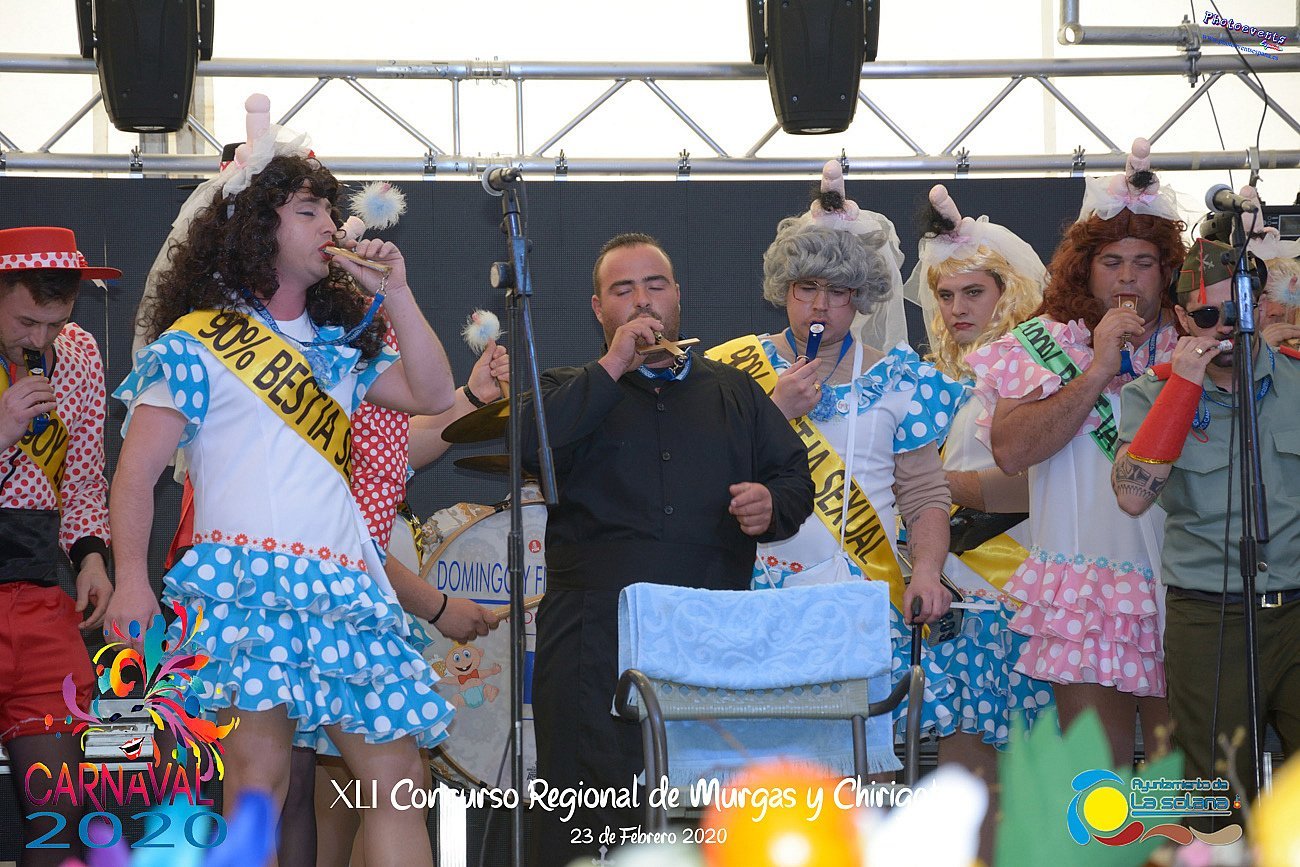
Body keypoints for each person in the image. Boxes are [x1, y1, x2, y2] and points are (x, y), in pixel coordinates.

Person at [105, 151, 458, 866]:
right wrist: (131, 580)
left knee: (399, 779)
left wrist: (396, 293)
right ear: (255, 230)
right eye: (308, 210)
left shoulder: (341, 346)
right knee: (258, 783)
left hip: (344, 591)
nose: (331, 224)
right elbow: (135, 476)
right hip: (249, 587)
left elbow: (433, 394)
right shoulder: (194, 343)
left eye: (330, 210)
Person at [520, 232, 814, 865]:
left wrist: (771, 503)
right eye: (622, 289)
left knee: (707, 809)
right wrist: (615, 364)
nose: (641, 301)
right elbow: (532, 447)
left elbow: (794, 477)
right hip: (593, 637)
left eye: (654, 285)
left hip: (711, 631)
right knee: (585, 812)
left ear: (678, 296)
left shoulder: (735, 391)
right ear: (598, 308)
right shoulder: (564, 388)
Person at [968, 139, 1182, 766]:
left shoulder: (1193, 344)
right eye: (1111, 261)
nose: (1127, 277)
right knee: (1097, 781)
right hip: (1084, 590)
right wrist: (1096, 372)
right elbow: (1011, 451)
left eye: (1143, 262)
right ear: (1085, 269)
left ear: (1167, 272)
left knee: (1178, 780)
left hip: (1186, 584)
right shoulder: (1040, 342)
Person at [738, 162, 958, 762]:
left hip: (863, 602)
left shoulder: (899, 376)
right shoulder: (735, 369)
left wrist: (927, 570)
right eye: (807, 288)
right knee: (768, 774)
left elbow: (925, 494)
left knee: (866, 768)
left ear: (859, 298)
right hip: (759, 595)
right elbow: (707, 475)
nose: (820, 305)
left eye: (838, 292)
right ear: (784, 289)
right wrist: (775, 410)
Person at [1113, 238, 1300, 826]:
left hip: (1296, 608)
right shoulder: (1152, 394)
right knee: (1216, 797)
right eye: (1206, 315)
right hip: (1208, 616)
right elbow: (1132, 496)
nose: (1223, 328)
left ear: (1260, 306)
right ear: (1180, 318)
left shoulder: (1296, 379)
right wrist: (1183, 388)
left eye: (1236, 311)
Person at [312, 338, 508, 867]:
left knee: (366, 790)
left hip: (360, 592)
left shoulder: (353, 347)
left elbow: (393, 451)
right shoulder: (318, 346)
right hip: (338, 595)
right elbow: (346, 530)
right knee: (372, 787)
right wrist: (437, 606)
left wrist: (470, 397)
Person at [910, 185, 1054, 857]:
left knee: (1029, 780)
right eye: (945, 295)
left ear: (1008, 292)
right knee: (961, 775)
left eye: (973, 292)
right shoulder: (938, 376)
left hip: (1021, 594)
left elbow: (1034, 484)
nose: (957, 308)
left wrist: (929, 486)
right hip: (960, 596)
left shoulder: (1035, 372)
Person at [0, 227, 114, 864]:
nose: (40, 339)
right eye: (26, 322)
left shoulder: (79, 352)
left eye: (55, 322)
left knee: (59, 813)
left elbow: (84, 476)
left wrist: (91, 556)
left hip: (42, 596)